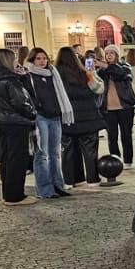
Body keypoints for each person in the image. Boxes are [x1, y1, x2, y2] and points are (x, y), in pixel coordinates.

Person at [0, 48, 38, 206]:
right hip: (15, 122)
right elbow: (21, 101)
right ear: (7, 61)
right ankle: (16, 196)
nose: (16, 62)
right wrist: (32, 114)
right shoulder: (10, 79)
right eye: (13, 60)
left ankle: (8, 193)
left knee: (7, 157)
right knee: (18, 158)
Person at [23, 47, 72, 200]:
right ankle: (45, 189)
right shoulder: (29, 76)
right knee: (42, 153)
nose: (42, 61)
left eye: (44, 58)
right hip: (40, 117)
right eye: (38, 58)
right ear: (32, 60)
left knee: (55, 153)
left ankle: (58, 185)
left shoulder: (53, 74)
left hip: (55, 116)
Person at [57, 46, 106, 190]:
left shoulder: (56, 75)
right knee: (90, 150)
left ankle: (71, 180)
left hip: (67, 118)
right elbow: (99, 89)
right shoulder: (84, 72)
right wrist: (92, 74)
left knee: (68, 150)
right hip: (88, 117)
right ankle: (93, 179)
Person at [97, 45, 135, 166]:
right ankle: (116, 161)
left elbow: (122, 74)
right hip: (108, 109)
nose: (109, 55)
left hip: (125, 107)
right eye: (107, 53)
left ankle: (128, 161)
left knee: (126, 135)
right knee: (112, 137)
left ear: (117, 55)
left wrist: (107, 66)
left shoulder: (125, 66)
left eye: (111, 53)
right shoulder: (102, 70)